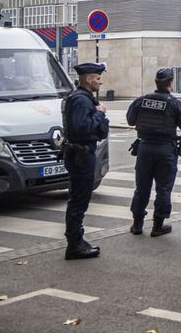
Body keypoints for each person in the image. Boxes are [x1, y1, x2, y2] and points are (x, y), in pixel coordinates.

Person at [126, 68, 181, 237]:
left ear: (156, 82)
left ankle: (137, 224)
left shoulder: (141, 101)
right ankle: (158, 226)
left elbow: (130, 120)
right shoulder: (175, 104)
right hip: (165, 150)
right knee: (163, 188)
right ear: (171, 83)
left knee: (141, 187)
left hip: (145, 149)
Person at [63, 62, 110, 260]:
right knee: (79, 200)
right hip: (81, 155)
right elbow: (82, 127)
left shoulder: (81, 98)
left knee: (79, 198)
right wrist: (100, 113)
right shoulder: (81, 100)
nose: (100, 82)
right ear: (90, 79)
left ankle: (76, 241)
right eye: (98, 78)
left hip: (79, 153)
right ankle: (75, 244)